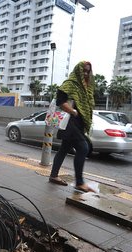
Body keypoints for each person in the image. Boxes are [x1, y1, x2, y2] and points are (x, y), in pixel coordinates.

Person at [48, 61, 96, 193]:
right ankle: (79, 183)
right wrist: (73, 111)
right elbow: (60, 101)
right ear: (78, 71)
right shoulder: (70, 84)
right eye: (84, 71)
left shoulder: (85, 88)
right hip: (71, 122)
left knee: (64, 149)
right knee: (83, 148)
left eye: (88, 71)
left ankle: (53, 175)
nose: (86, 73)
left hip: (78, 124)